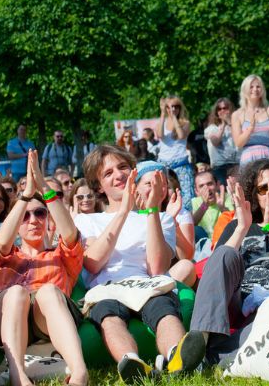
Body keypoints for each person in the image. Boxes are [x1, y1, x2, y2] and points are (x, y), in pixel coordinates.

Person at [76, 145, 205, 383]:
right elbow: (93, 264)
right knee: (108, 316)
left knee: (164, 309)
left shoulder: (163, 217)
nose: (118, 175)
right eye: (108, 173)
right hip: (107, 289)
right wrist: (123, 210)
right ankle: (132, 362)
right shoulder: (87, 221)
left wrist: (153, 210)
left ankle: (177, 357)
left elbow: (156, 268)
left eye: (123, 167)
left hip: (148, 285)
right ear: (98, 187)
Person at [0, 150, 87, 386]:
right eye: (25, 216)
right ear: (16, 223)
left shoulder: (61, 255)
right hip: (4, 318)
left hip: (45, 318)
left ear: (48, 218)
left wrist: (43, 186)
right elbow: (2, 242)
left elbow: (70, 234)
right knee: (17, 292)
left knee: (47, 291)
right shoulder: (3, 255)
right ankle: (19, 376)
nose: (34, 220)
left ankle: (79, 373)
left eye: (40, 213)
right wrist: (25, 196)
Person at [190, 157, 269, 365]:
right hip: (239, 303)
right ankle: (198, 340)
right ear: (255, 196)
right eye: (264, 189)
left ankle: (212, 356)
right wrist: (241, 228)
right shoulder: (239, 226)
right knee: (225, 253)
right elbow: (215, 271)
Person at [135, 161, 196, 286]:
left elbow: (187, 256)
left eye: (162, 184)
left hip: (164, 277)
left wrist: (171, 220)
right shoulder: (129, 215)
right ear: (136, 187)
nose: (156, 188)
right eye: (148, 184)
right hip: (134, 278)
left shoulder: (175, 211)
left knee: (186, 267)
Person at [231, 75, 269, 166]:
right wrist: (250, 128)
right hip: (248, 160)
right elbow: (239, 143)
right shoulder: (237, 115)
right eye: (251, 87)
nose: (255, 89)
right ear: (244, 90)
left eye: (258, 86)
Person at [156, 96, 195, 211]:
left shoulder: (185, 123)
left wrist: (174, 118)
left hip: (181, 164)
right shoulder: (161, 122)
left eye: (176, 106)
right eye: (169, 106)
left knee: (187, 197)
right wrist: (163, 114)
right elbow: (160, 135)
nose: (173, 109)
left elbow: (181, 135)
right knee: (164, 196)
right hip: (165, 165)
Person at [205, 98, 239, 187]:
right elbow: (215, 141)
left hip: (235, 164)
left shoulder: (236, 126)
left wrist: (230, 122)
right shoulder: (211, 128)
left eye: (225, 108)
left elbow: (239, 139)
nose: (222, 111)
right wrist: (223, 124)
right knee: (224, 194)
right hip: (219, 166)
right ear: (216, 112)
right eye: (219, 109)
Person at [191, 171, 233, 241]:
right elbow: (192, 224)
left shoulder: (227, 197)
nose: (207, 189)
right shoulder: (194, 202)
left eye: (209, 184)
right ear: (196, 191)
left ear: (217, 184)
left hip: (225, 240)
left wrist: (223, 208)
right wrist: (205, 205)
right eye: (201, 186)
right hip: (204, 242)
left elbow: (234, 223)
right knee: (196, 230)